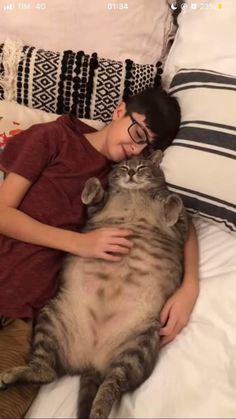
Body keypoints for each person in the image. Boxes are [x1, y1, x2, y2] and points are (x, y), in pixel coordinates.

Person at [0, 87, 199, 417]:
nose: (134, 148)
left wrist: (190, 287)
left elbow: (183, 222)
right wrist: (79, 243)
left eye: (145, 147)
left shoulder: (123, 177)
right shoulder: (54, 137)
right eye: (136, 134)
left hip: (25, 316)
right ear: (119, 109)